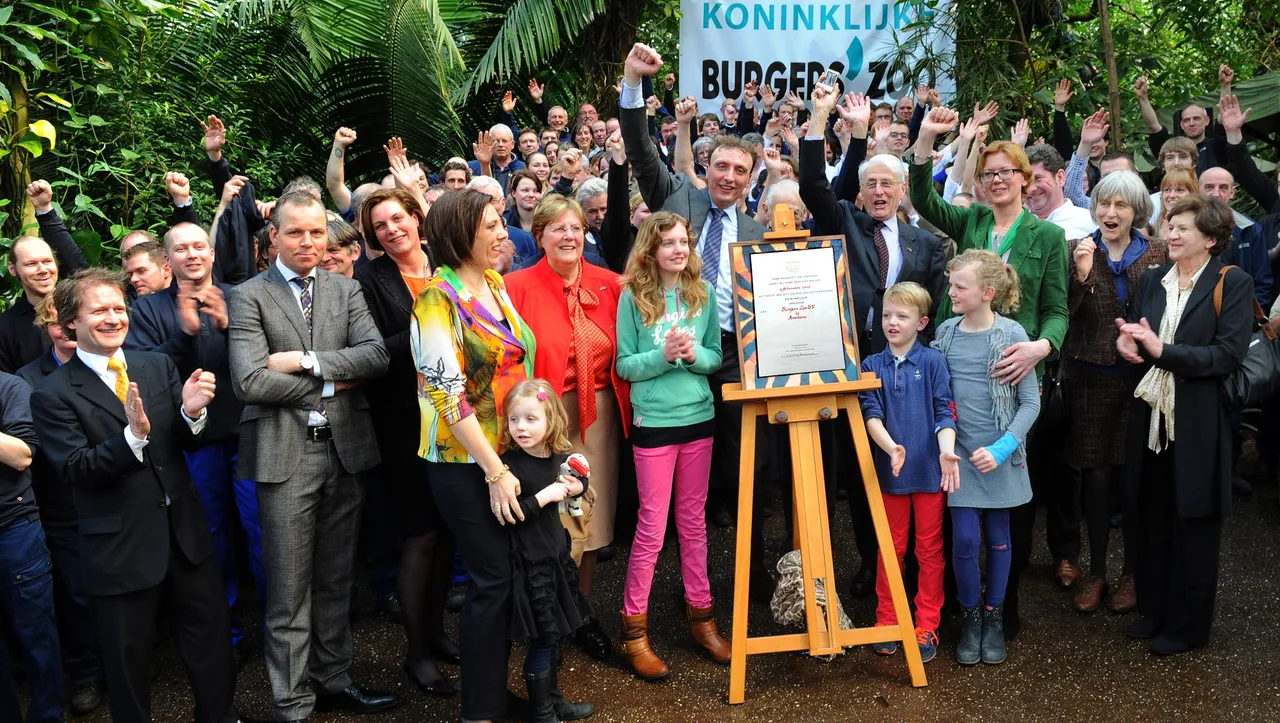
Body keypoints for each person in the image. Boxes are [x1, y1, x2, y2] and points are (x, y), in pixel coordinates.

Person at [29, 268, 241, 723]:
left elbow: (182, 445)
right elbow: (75, 469)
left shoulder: (154, 364)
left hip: (184, 535)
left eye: (119, 308)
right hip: (120, 549)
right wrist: (131, 438)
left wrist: (190, 413)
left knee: (211, 645)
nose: (113, 318)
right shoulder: (51, 394)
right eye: (99, 310)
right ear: (70, 322)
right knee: (128, 667)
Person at [227, 191, 397, 720]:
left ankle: (333, 678)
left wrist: (302, 362)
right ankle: (293, 702)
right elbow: (250, 379)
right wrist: (331, 384)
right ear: (272, 236)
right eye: (296, 232)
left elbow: (374, 356)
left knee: (335, 576)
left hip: (345, 453)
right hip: (285, 458)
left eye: (317, 233)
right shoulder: (248, 295)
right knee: (287, 587)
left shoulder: (346, 290)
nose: (308, 242)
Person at [911, 108, 1068, 640]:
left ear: (1026, 178)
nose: (997, 180)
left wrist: (1040, 348)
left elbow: (1058, 308)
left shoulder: (1046, 236)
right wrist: (930, 141)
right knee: (962, 503)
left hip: (1017, 372)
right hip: (964, 372)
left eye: (1007, 172)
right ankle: (967, 605)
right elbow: (924, 197)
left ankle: (1005, 605)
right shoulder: (973, 220)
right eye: (989, 173)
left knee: (1011, 505)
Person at [619, 44, 775, 561]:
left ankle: (743, 558)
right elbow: (641, 151)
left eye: (740, 171)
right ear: (706, 166)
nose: (729, 176)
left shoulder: (758, 232)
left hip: (734, 354)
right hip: (671, 350)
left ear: (751, 179)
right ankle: (666, 552)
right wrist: (634, 84)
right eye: (722, 166)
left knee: (740, 460)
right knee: (672, 462)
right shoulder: (677, 198)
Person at [800, 82, 948, 596]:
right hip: (858, 365)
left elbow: (935, 305)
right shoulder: (845, 223)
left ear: (903, 188)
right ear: (861, 192)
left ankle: (917, 569)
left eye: (889, 184)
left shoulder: (928, 245)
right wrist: (821, 118)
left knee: (912, 462)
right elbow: (814, 185)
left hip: (912, 372)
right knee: (865, 472)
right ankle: (872, 562)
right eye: (872, 186)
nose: (880, 192)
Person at [409, 189, 536, 723]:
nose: (503, 232)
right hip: (466, 465)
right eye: (491, 224)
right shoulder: (436, 300)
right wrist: (496, 471)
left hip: (505, 454)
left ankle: (490, 696)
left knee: (504, 579)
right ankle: (479, 712)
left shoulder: (495, 283)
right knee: (492, 581)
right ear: (461, 233)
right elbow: (447, 393)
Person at [124, 222, 267, 661]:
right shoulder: (148, 310)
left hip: (248, 433)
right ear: (168, 262)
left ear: (211, 252)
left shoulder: (239, 296)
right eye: (181, 249)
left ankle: (279, 629)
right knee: (211, 539)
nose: (192, 255)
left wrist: (229, 329)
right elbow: (146, 370)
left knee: (264, 533)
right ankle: (227, 637)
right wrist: (185, 333)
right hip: (192, 445)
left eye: (199, 246)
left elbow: (267, 357)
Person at [1116, 194, 1251, 655]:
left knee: (1193, 524)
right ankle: (1154, 610)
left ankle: (1189, 626)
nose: (1170, 234)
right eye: (1168, 226)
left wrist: (1161, 352)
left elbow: (1227, 356)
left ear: (1211, 239)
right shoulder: (1153, 279)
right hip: (1149, 414)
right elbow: (1142, 335)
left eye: (1181, 228)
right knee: (1150, 515)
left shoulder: (1232, 282)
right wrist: (1129, 345)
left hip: (1197, 421)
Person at [504, 194, 630, 661]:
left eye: (576, 227)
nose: (569, 236)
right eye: (557, 228)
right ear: (539, 236)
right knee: (549, 521)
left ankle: (582, 612)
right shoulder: (515, 286)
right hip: (542, 417)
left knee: (589, 516)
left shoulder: (610, 284)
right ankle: (546, 620)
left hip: (599, 413)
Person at [352, 188, 460, 696]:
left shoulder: (448, 262)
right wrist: (430, 324)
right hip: (403, 423)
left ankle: (437, 633)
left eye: (398, 218)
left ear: (417, 218)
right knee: (419, 536)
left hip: (459, 418)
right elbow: (373, 351)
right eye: (379, 225)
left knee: (448, 535)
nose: (391, 229)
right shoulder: (367, 281)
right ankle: (415, 653)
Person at [614, 212, 730, 680]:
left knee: (694, 523)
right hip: (654, 424)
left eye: (684, 241)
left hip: (698, 419)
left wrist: (692, 355)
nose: (679, 250)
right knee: (651, 527)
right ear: (650, 250)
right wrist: (661, 357)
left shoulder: (701, 295)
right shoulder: (631, 297)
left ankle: (702, 619)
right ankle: (634, 630)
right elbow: (624, 364)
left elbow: (715, 358)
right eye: (669, 243)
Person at [1063, 171, 1167, 614]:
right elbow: (1062, 313)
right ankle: (1099, 571)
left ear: (1136, 210)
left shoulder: (1160, 252)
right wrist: (1083, 275)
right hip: (1090, 378)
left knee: (1136, 479)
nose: (1111, 213)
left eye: (1121, 205)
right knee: (1098, 478)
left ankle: (1133, 574)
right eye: (1104, 204)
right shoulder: (1078, 250)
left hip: (1144, 380)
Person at [932, 250, 1041, 666]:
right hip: (958, 458)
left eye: (960, 286)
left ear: (987, 293)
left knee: (999, 540)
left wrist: (1002, 448)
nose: (951, 291)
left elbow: (1030, 402)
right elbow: (938, 395)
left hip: (1001, 459)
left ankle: (994, 618)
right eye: (951, 283)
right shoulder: (946, 333)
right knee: (963, 540)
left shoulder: (1013, 334)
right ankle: (971, 616)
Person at [15, 293, 106, 716]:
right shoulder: (27, 379)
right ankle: (87, 672)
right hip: (63, 507)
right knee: (74, 594)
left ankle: (124, 665)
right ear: (48, 328)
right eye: (55, 322)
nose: (64, 329)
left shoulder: (116, 362)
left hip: (116, 498)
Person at [860, 282, 958, 665]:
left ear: (922, 322)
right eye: (887, 315)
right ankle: (888, 618)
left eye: (902, 316)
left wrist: (947, 451)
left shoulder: (933, 361)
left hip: (930, 473)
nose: (892, 322)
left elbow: (944, 411)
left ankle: (927, 623)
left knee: (929, 550)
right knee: (891, 549)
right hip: (891, 474)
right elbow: (872, 414)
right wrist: (891, 449)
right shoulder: (871, 366)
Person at [499, 380, 595, 722]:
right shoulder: (507, 466)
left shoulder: (557, 458)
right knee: (542, 639)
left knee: (557, 636)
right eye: (514, 420)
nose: (521, 427)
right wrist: (547, 496)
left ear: (551, 419)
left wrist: (577, 485)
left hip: (556, 558)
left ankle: (555, 700)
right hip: (531, 567)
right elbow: (513, 514)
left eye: (530, 419)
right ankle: (542, 712)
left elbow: (580, 481)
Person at [0, 367, 61, 723]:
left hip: (13, 530)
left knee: (36, 636)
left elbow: (22, 455)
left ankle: (48, 715)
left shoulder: (9, 387)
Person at [0, 181, 89, 373]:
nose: (43, 270)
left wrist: (44, 209)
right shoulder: (6, 327)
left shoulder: (83, 305)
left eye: (47, 261)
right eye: (31, 264)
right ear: (13, 269)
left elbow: (80, 269)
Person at [1024, 144, 1097, 240]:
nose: (1031, 188)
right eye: (1026, 181)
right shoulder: (1013, 227)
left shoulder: (1089, 223)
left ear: (1060, 177)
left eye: (1038, 179)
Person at [468, 175, 538, 266]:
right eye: (478, 201)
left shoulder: (524, 239)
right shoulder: (460, 239)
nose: (486, 206)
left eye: (491, 200)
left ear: (503, 203)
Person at [469, 125, 526, 194]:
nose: (500, 145)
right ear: (489, 143)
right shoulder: (472, 167)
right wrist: (484, 164)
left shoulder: (524, 168)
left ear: (512, 144)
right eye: (496, 141)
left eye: (504, 141)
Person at [321, 213, 362, 278]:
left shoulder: (372, 286)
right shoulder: (303, 287)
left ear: (355, 252)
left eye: (333, 250)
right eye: (320, 251)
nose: (324, 258)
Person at [506, 169, 544, 235]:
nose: (531, 195)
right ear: (513, 193)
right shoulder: (504, 221)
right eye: (525, 190)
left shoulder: (548, 219)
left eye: (536, 191)